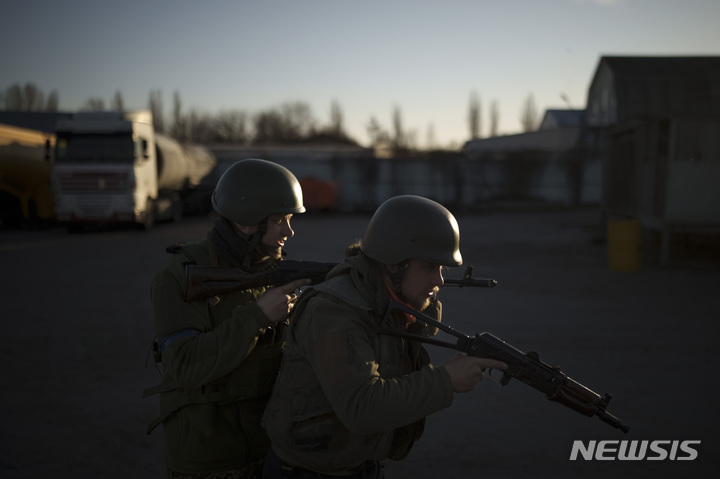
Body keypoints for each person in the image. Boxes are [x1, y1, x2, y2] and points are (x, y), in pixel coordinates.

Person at [261, 195, 507, 478]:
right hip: (306, 472)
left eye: (442, 269)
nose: (439, 280)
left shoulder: (391, 303)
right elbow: (362, 407)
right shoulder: (334, 310)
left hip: (359, 466)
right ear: (393, 263)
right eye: (429, 267)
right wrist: (446, 380)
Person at [145, 159, 311, 479]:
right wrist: (258, 315)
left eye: (289, 219)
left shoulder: (270, 271)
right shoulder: (179, 275)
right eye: (279, 220)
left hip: (271, 450)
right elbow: (184, 366)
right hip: (208, 460)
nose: (289, 231)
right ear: (248, 222)